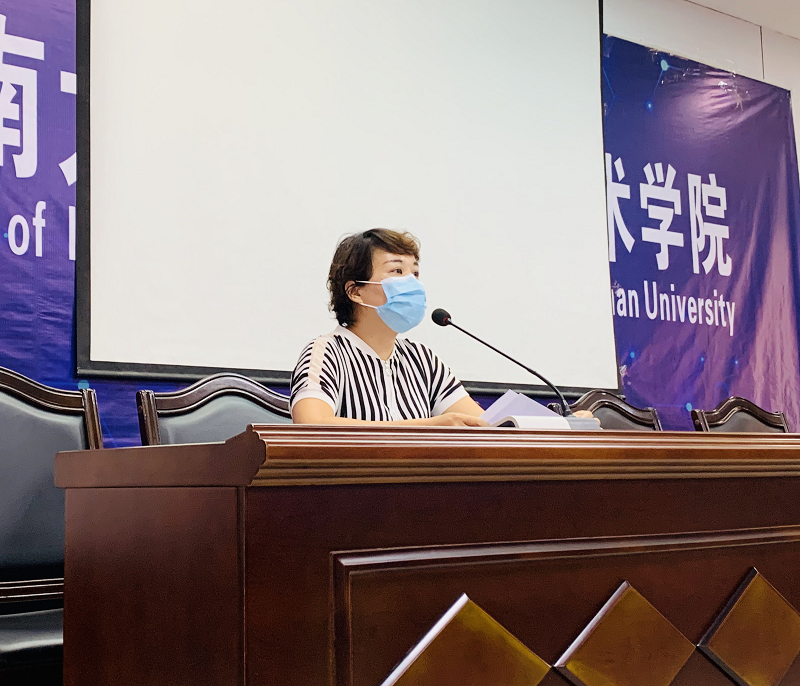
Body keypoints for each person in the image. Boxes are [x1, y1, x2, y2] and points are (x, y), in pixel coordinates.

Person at [291, 229, 488, 426]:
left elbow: (486, 426)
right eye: (397, 271)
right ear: (355, 292)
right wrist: (430, 427)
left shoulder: (422, 358)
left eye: (415, 273)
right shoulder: (327, 352)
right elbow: (311, 423)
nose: (412, 283)